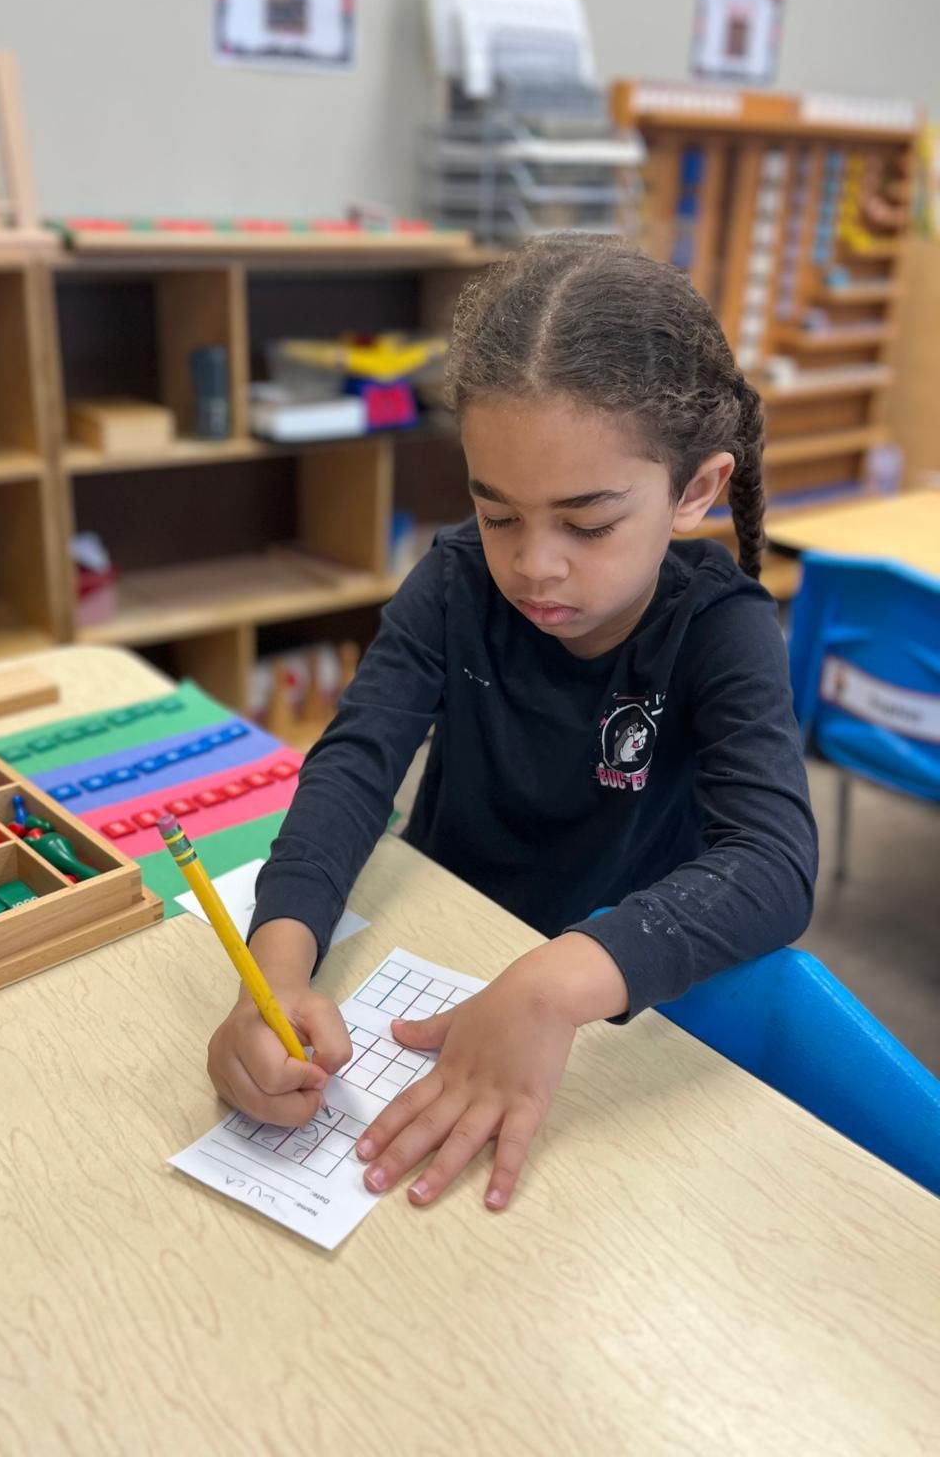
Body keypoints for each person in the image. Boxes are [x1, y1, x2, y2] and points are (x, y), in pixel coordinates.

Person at [207, 234, 818, 1212]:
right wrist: (271, 970)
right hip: (441, 951)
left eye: (586, 523)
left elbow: (776, 867)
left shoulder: (722, 628)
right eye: (498, 515)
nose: (535, 565)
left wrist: (552, 986)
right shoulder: (454, 582)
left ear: (694, 490)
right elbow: (355, 766)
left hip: (605, 1010)